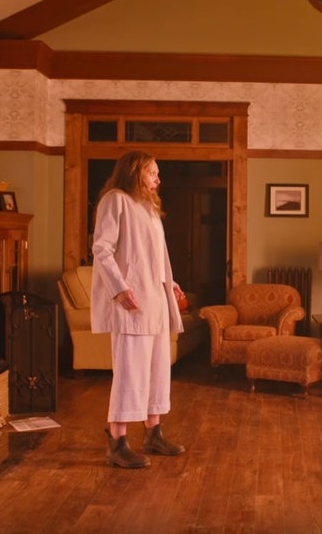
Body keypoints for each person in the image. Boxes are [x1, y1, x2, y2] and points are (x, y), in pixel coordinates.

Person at [91, 150, 186, 469]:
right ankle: (117, 443)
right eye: (152, 172)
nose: (158, 179)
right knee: (130, 373)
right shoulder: (115, 201)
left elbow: (155, 256)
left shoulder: (149, 207)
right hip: (131, 302)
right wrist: (119, 289)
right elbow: (102, 249)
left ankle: (153, 433)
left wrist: (169, 283)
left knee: (158, 370)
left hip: (155, 300)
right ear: (135, 172)